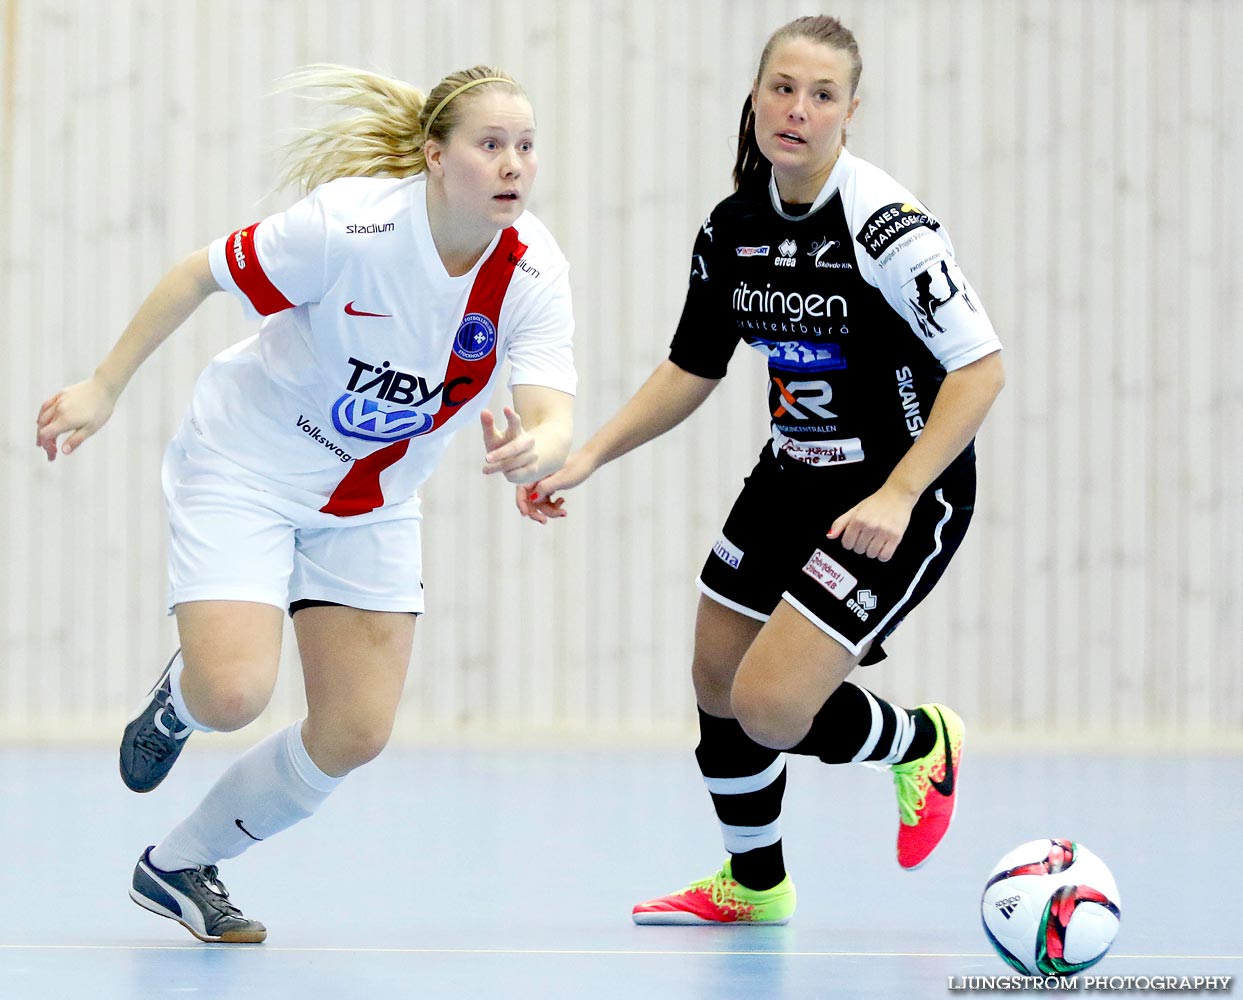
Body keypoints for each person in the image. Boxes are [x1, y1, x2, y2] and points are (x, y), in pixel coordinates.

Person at [35, 64, 576, 942]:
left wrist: (537, 453)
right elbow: (197, 274)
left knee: (356, 732)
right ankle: (184, 701)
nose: (514, 163)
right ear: (436, 158)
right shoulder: (351, 225)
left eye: (524, 145)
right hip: (247, 464)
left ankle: (178, 866)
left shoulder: (532, 270)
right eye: (490, 145)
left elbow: (554, 411)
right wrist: (102, 386)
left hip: (373, 500)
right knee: (233, 694)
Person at [521, 15, 1004, 925]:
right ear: (753, 99)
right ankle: (754, 884)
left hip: (900, 489)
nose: (796, 109)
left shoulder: (885, 227)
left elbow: (981, 369)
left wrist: (900, 495)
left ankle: (919, 741)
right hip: (790, 475)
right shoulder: (733, 227)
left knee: (772, 709)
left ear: (849, 114)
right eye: (781, 88)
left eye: (821, 95)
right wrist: (586, 455)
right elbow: (692, 367)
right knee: (715, 679)